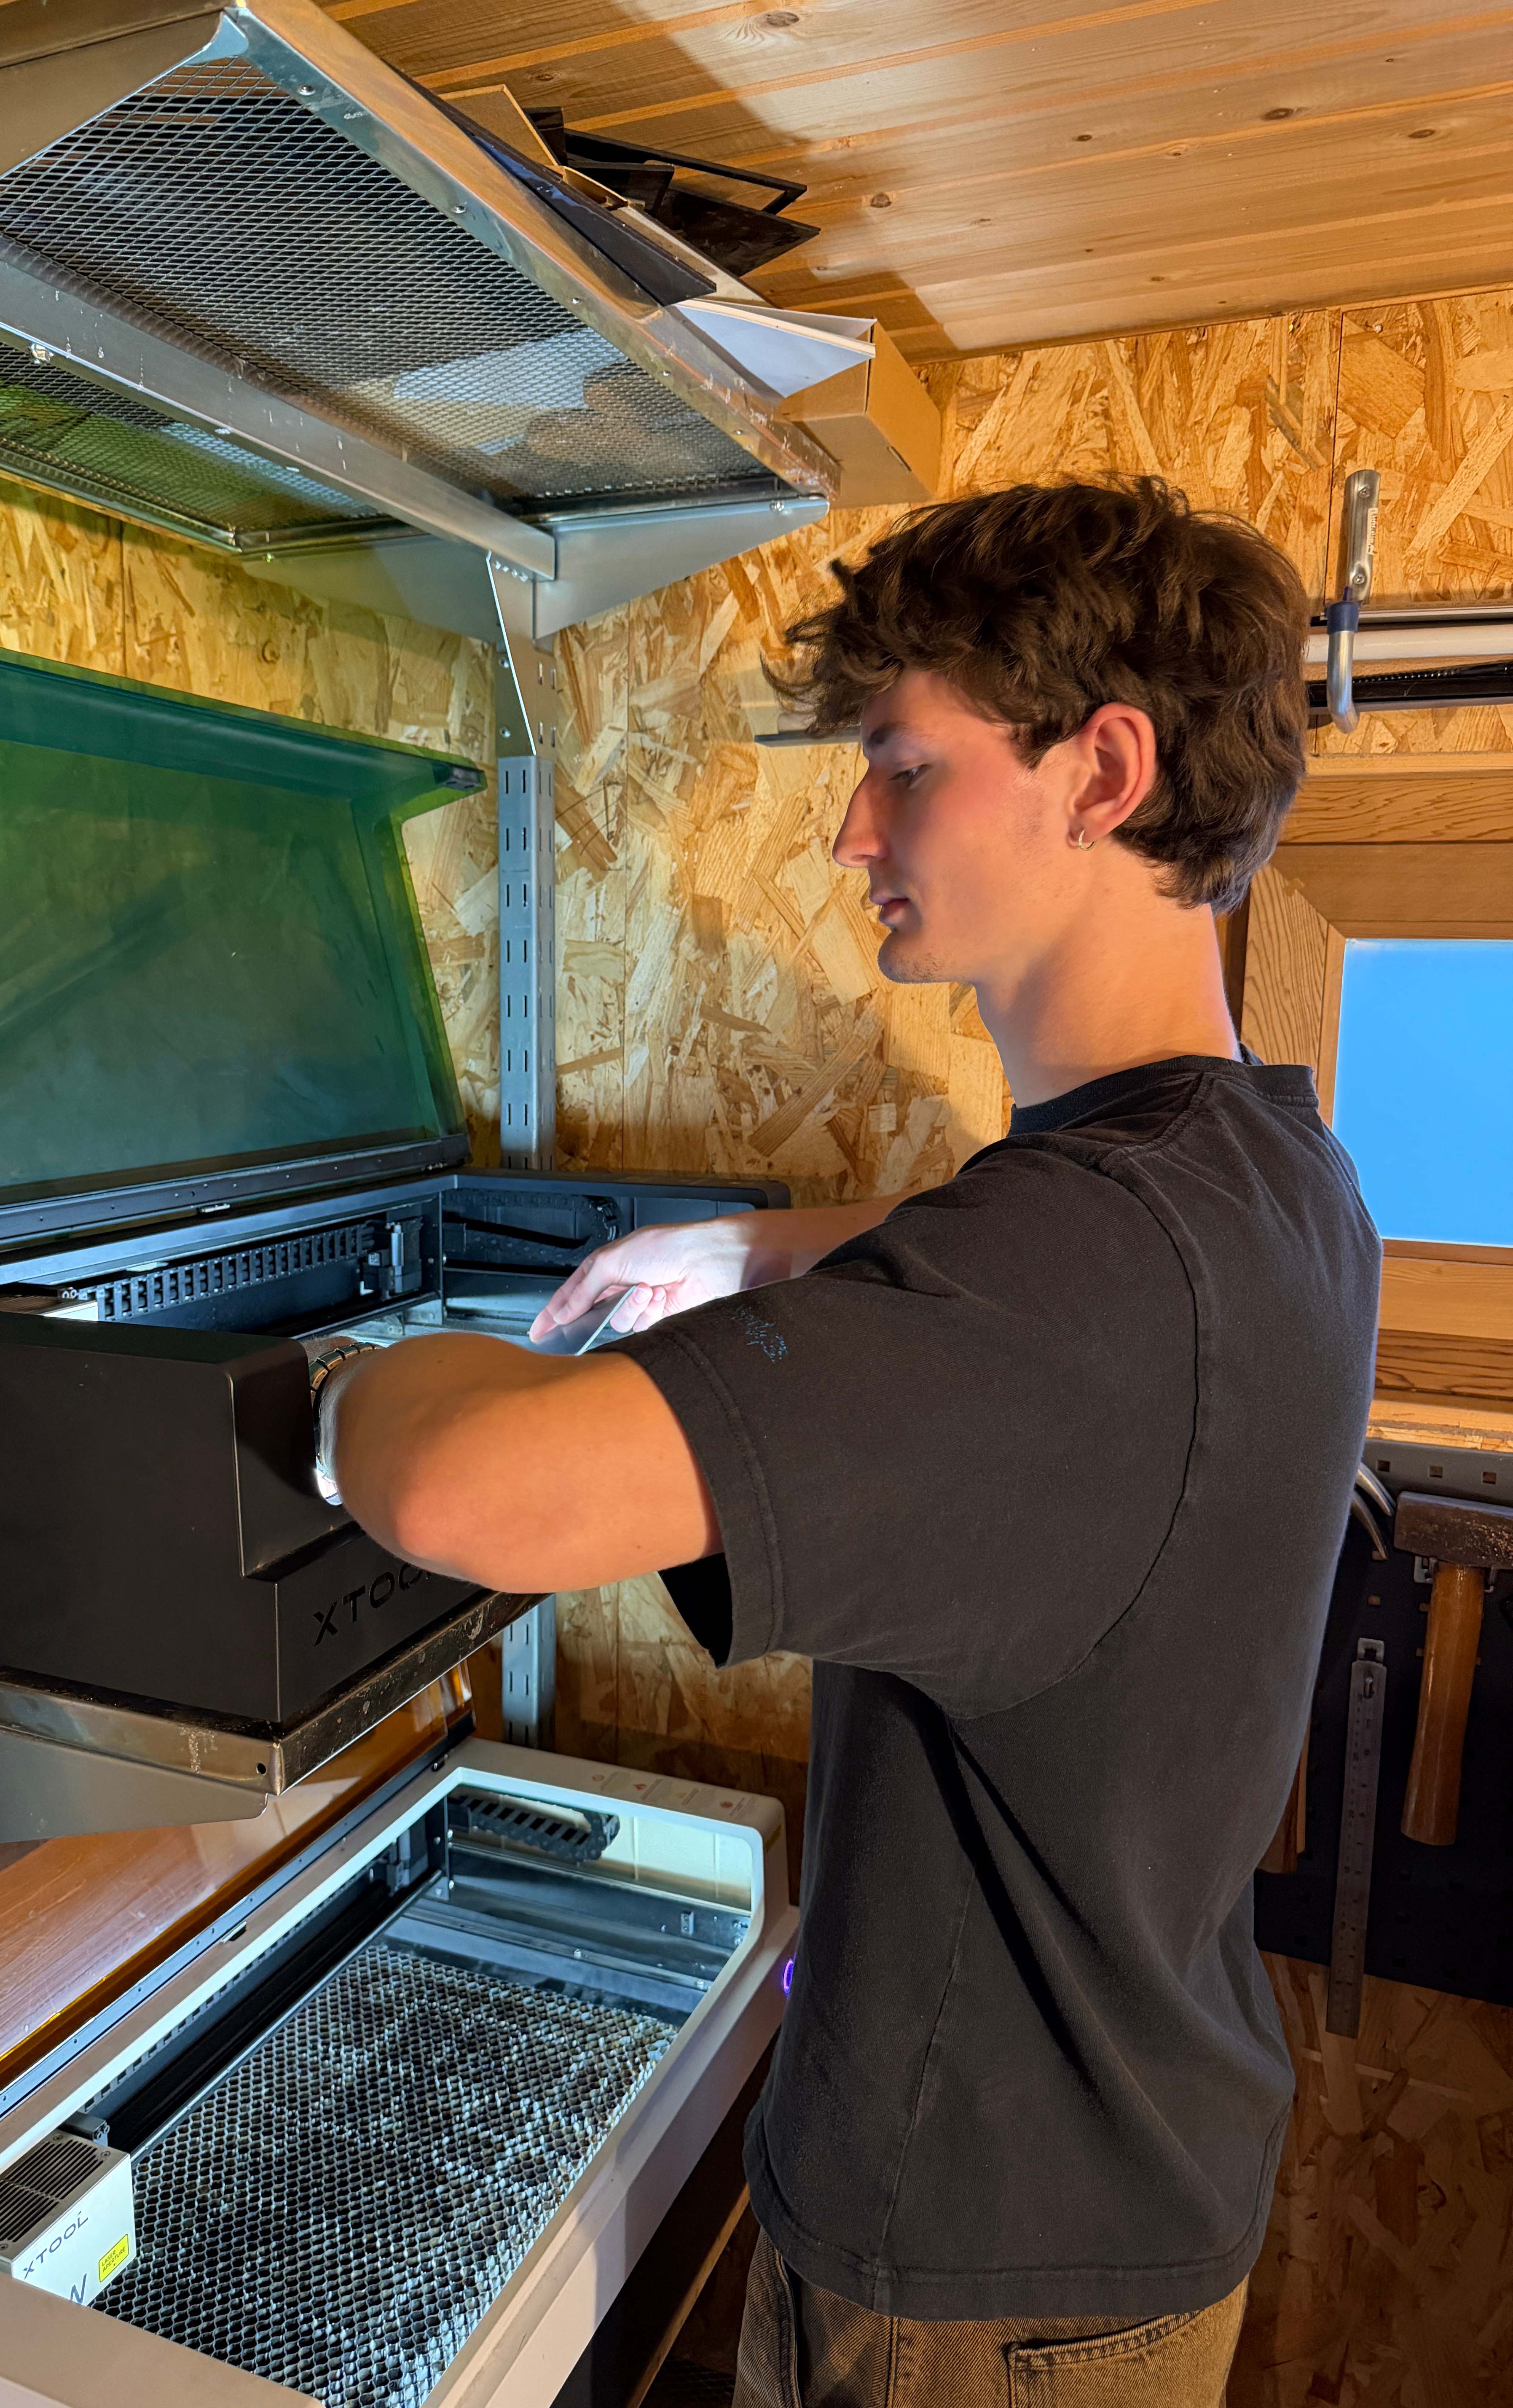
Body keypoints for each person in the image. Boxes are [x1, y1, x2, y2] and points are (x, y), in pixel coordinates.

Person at [304, 478, 1380, 2407]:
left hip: (979, 2287)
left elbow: (468, 1491)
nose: (849, 827)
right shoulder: (1270, 1175)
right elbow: (1035, 1258)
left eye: (902, 763)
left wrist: (340, 1375)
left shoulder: (1073, 1279)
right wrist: (771, 1245)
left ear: (1102, 769)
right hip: (1124, 2161)